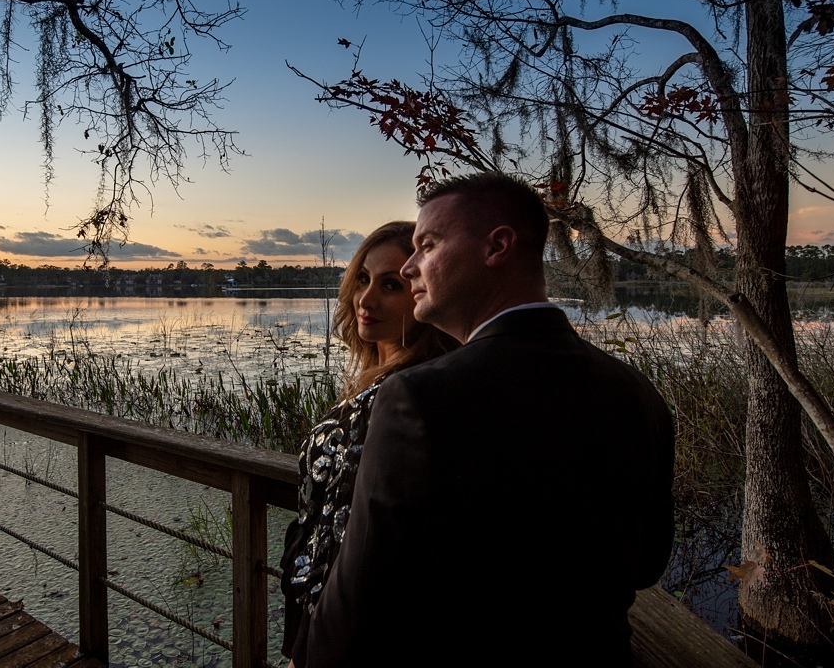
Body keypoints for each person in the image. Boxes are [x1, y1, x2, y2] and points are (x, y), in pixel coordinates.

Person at [305, 173, 675, 667]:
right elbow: (647, 564)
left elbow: (358, 597)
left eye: (428, 245)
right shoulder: (637, 392)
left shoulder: (416, 398)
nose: (412, 266)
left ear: (498, 246)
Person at [280, 221, 457, 667]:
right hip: (315, 596)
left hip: (357, 623)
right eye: (362, 279)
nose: (366, 299)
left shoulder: (414, 392)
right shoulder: (371, 383)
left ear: (423, 294)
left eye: (391, 285)